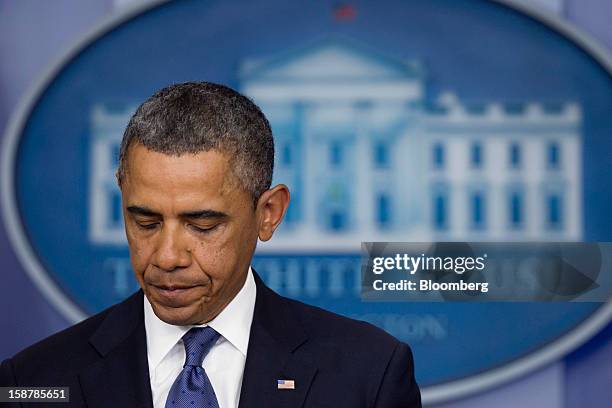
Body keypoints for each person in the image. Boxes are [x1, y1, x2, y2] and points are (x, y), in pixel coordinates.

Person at [0, 82, 421, 407]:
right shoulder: (33, 381)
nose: (166, 256)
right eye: (144, 221)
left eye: (202, 225)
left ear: (268, 213)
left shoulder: (368, 374)